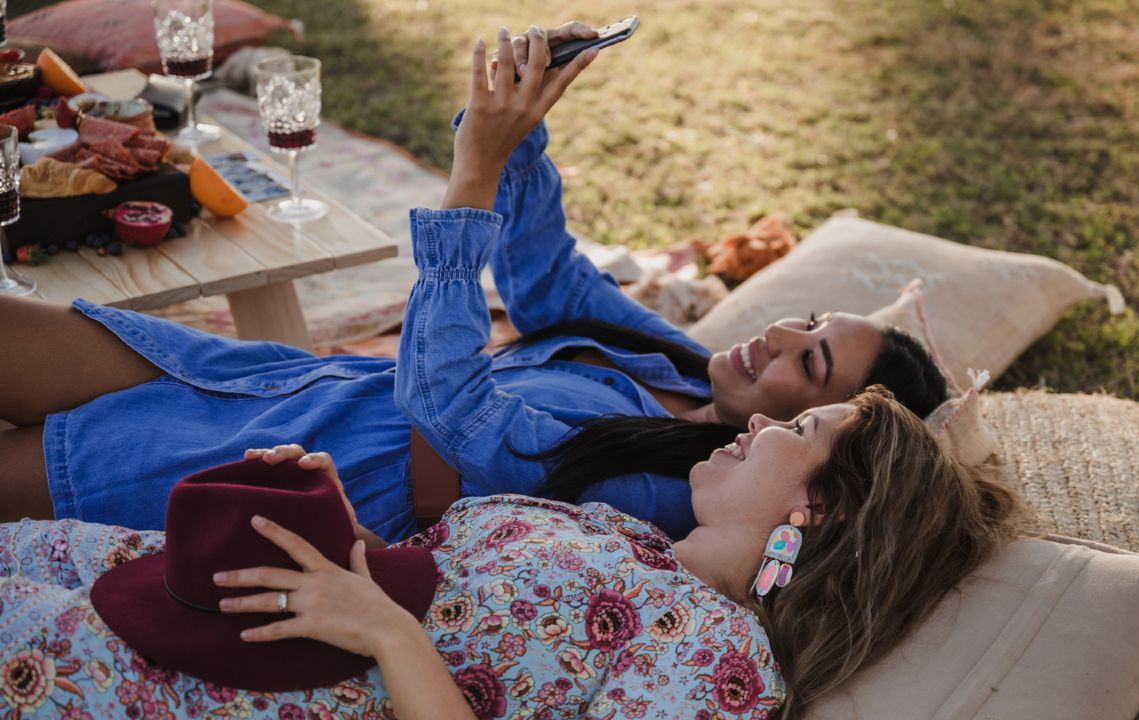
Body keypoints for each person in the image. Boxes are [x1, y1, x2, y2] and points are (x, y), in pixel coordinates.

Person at [0, 22, 947, 544]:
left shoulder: (663, 497)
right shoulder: (687, 368)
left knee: (35, 462)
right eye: (809, 320)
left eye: (811, 366)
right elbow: (549, 283)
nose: (778, 335)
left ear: (808, 447)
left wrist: (472, 179)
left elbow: (446, 403)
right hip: (286, 381)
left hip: (299, 472)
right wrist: (518, 129)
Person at [0, 387, 1023, 720]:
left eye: (793, 432)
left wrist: (387, 636)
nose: (757, 423)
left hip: (229, 685)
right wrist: (324, 515)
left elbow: (409, 632)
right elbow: (423, 580)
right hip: (178, 587)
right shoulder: (631, 538)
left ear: (825, 511)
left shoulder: (721, 666)